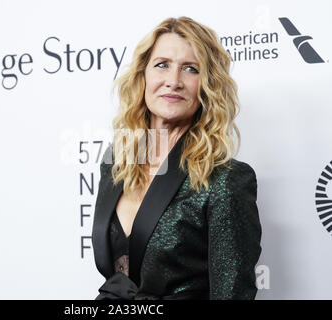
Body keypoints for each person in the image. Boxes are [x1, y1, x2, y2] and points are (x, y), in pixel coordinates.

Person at [91, 16, 262, 300]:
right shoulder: (116, 165)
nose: (174, 81)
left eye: (190, 69)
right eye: (162, 65)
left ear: (207, 85)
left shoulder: (225, 180)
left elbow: (232, 294)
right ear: (142, 76)